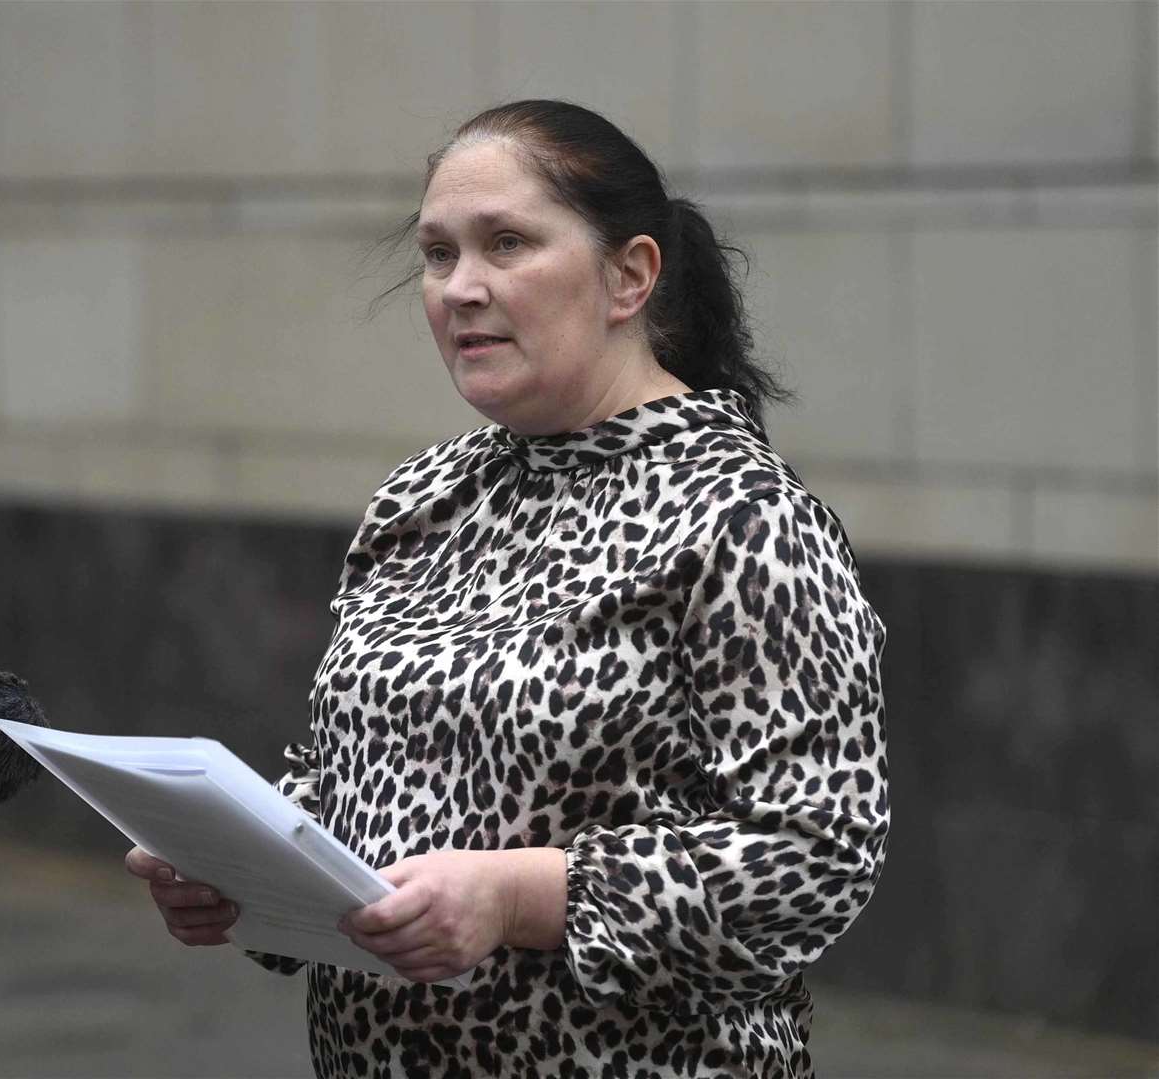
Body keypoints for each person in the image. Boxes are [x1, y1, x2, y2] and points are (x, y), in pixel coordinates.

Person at [125, 99, 888, 1078]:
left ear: (630, 275)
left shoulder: (745, 520)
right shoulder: (422, 497)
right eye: (440, 255)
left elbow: (812, 861)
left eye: (508, 243)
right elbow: (347, 777)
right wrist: (239, 866)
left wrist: (523, 898)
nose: (461, 288)